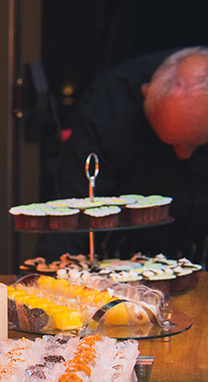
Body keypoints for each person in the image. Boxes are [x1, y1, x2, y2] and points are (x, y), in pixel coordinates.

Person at [51, 47, 208, 262]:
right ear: (145, 93)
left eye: (194, 143)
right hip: (125, 249)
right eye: (172, 142)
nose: (182, 154)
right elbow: (75, 206)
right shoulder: (108, 106)